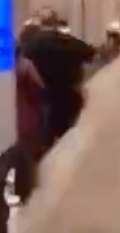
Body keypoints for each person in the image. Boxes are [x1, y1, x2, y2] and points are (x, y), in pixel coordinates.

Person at [19, 10, 97, 150]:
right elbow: (91, 53)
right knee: (70, 143)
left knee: (46, 145)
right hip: (70, 98)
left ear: (42, 23)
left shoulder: (30, 45)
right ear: (55, 23)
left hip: (45, 101)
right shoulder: (69, 41)